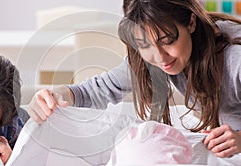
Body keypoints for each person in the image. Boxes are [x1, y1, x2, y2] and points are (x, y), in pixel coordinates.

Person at [27, 0, 241, 158]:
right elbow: (96, 90)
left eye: (167, 40)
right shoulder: (150, 59)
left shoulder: (236, 59)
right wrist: (55, 95)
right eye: (145, 45)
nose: (160, 58)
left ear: (191, 23)